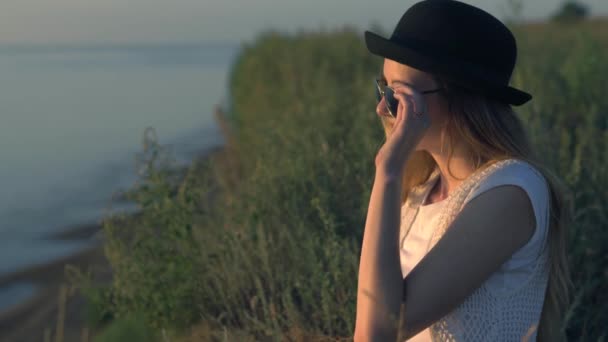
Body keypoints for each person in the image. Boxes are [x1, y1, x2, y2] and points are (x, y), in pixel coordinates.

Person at [353, 1, 573, 341]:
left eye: (400, 95)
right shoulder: (422, 193)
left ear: (461, 99)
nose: (382, 107)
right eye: (384, 88)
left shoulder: (511, 192)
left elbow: (376, 331)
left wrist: (388, 171)